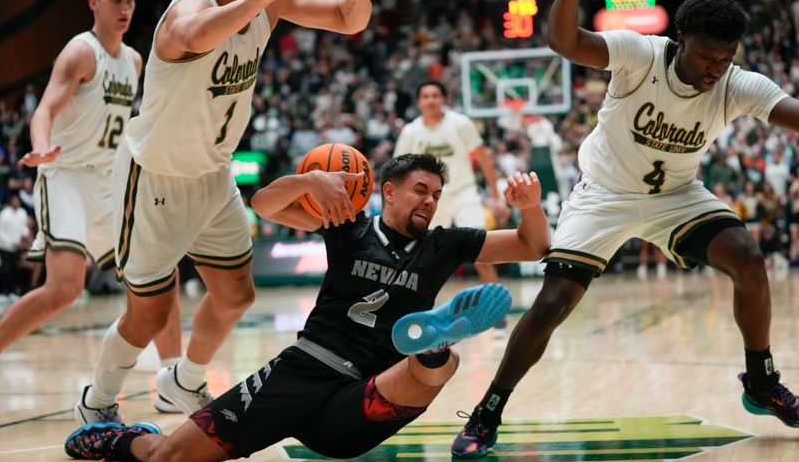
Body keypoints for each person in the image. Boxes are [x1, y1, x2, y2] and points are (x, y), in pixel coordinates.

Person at [451, 0, 799, 457]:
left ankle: (761, 381)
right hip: (604, 195)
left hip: (677, 196)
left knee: (749, 260)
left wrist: (730, 71)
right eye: (706, 56)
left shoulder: (735, 83)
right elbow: (566, 44)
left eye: (725, 59)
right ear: (681, 38)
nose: (714, 69)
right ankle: (487, 412)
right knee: (553, 302)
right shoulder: (640, 54)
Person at [64, 153, 550, 461]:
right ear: (389, 191)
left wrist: (530, 203)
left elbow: (532, 246)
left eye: (437, 195)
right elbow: (263, 204)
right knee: (168, 456)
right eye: (421, 190)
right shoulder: (349, 225)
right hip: (303, 370)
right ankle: (119, 440)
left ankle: (433, 343)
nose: (430, 201)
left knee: (437, 367)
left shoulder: (445, 244)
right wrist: (310, 181)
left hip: (366, 392)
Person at [74, 0, 372, 426]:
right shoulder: (184, 11)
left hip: (213, 173)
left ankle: (183, 382)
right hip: (155, 177)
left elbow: (347, 19)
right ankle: (98, 399)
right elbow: (194, 38)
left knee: (237, 295)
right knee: (149, 314)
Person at [0, 0, 183, 408]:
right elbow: (43, 110)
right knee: (63, 290)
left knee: (161, 272)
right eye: (117, 1)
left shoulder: (134, 60)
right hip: (66, 174)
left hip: (108, 180)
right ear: (94, 4)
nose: (125, 9)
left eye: (131, 1)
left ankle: (175, 380)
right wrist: (40, 147)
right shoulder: (80, 53)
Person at [394, 80, 511, 285]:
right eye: (426, 96)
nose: (431, 100)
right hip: (429, 198)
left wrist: (496, 197)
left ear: (444, 99)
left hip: (464, 192)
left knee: (479, 252)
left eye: (435, 95)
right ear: (419, 101)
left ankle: (496, 310)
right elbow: (399, 170)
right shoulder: (410, 132)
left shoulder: (460, 123)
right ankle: (422, 309)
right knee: (425, 256)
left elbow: (484, 159)